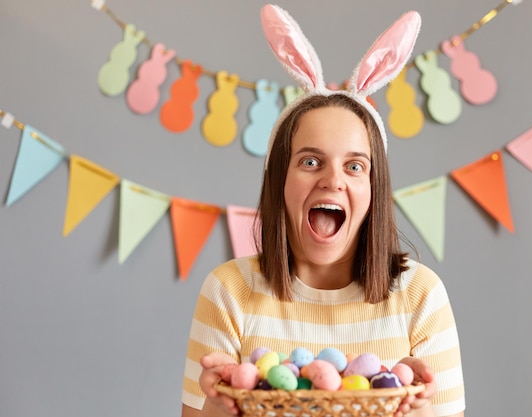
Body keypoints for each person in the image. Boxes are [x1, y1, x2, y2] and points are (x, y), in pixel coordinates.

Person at [181, 4, 465, 417]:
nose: (333, 181)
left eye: (355, 166)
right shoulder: (229, 293)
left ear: (374, 190)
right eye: (310, 162)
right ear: (280, 181)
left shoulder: (421, 296)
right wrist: (217, 405)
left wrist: (414, 407)